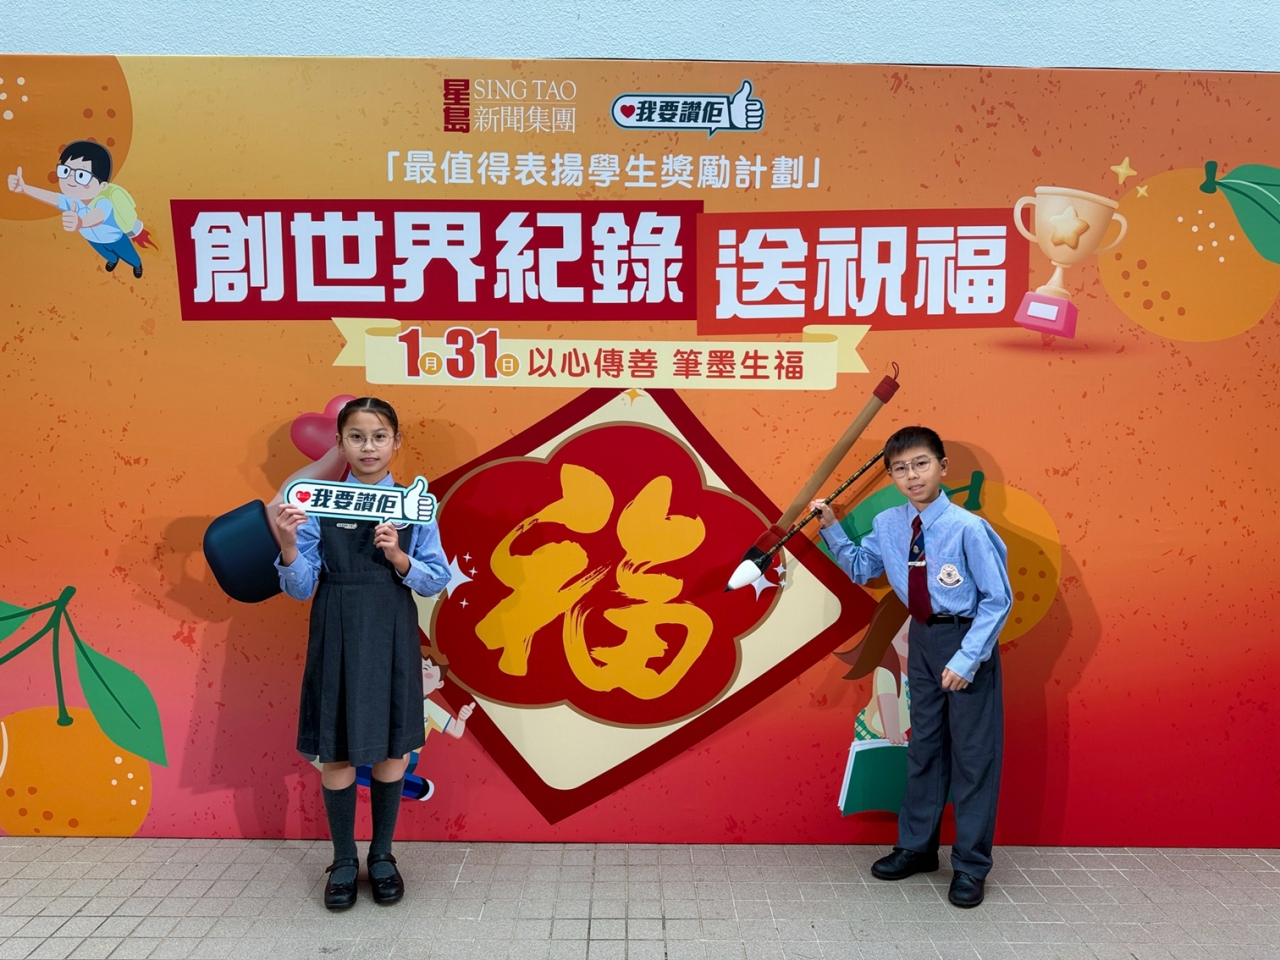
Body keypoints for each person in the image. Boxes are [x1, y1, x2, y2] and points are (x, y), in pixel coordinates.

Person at [811, 426, 1011, 908]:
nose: (912, 475)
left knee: (973, 757)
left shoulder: (967, 527)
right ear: (891, 476)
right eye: (900, 468)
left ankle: (970, 866)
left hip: (965, 639)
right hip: (921, 637)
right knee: (924, 748)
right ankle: (918, 848)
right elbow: (862, 569)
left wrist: (968, 658)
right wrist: (831, 526)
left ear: (942, 466)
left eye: (921, 463)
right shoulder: (889, 524)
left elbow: (997, 599)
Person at [273, 397, 450, 910]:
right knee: (338, 751)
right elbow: (300, 587)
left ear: (396, 442)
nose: (368, 447)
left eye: (378, 437)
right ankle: (345, 859)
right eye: (356, 436)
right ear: (340, 443)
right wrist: (288, 545)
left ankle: (383, 855)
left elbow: (435, 580)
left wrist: (398, 555)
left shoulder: (414, 506)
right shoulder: (317, 503)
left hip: (392, 628)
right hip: (335, 627)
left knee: (394, 749)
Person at [7, 141, 147, 277]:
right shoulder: (72, 201)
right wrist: (24, 189)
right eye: (65, 171)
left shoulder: (103, 202)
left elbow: (98, 216)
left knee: (130, 256)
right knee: (107, 255)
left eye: (81, 175)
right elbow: (52, 197)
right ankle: (113, 260)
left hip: (115, 238)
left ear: (102, 185)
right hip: (92, 239)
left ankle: (137, 265)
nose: (70, 179)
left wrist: (81, 222)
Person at [354, 652, 475, 800]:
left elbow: (456, 731)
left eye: (427, 673)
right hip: (378, 748)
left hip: (407, 755)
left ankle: (393, 778)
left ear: (439, 683)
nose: (419, 676)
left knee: (401, 750)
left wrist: (462, 718)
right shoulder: (392, 697)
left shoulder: (430, 708)